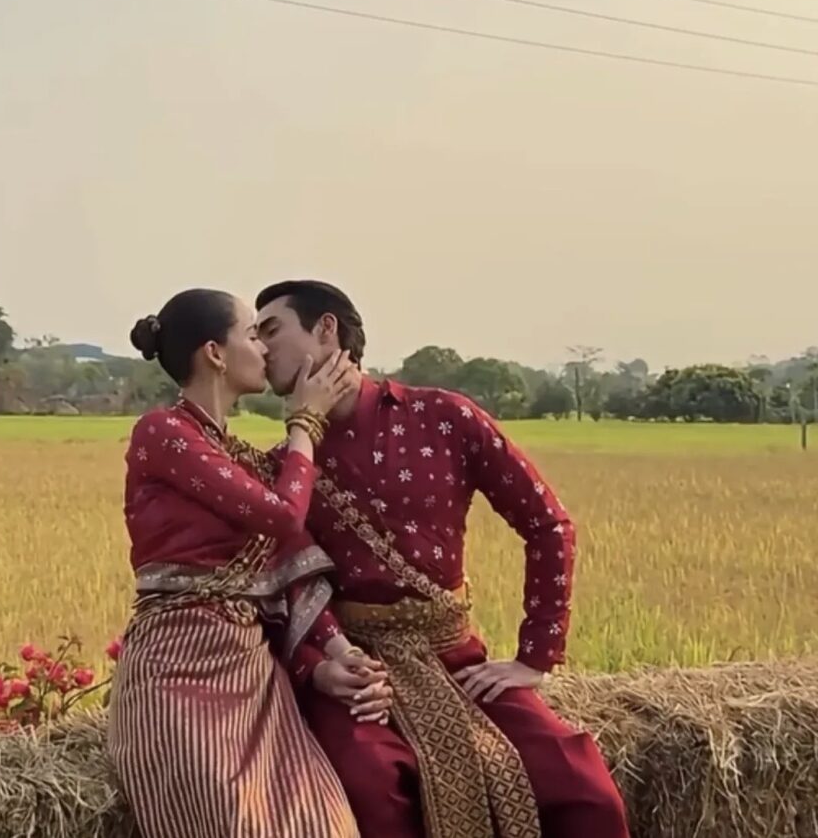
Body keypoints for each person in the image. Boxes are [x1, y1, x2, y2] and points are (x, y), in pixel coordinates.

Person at [241, 280, 630, 838]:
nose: (260, 346)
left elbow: (548, 525)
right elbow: (284, 587)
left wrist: (535, 658)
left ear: (326, 329)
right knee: (374, 787)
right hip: (356, 669)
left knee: (583, 791)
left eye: (272, 330)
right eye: (253, 335)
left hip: (456, 659)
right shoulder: (288, 466)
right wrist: (320, 669)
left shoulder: (444, 417)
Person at [107, 287, 381, 838]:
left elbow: (290, 563)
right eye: (253, 336)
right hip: (178, 667)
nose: (264, 349)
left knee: (323, 826)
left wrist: (343, 653)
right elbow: (283, 516)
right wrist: (304, 424)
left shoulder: (240, 458)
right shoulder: (162, 432)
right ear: (215, 353)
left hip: (254, 675)